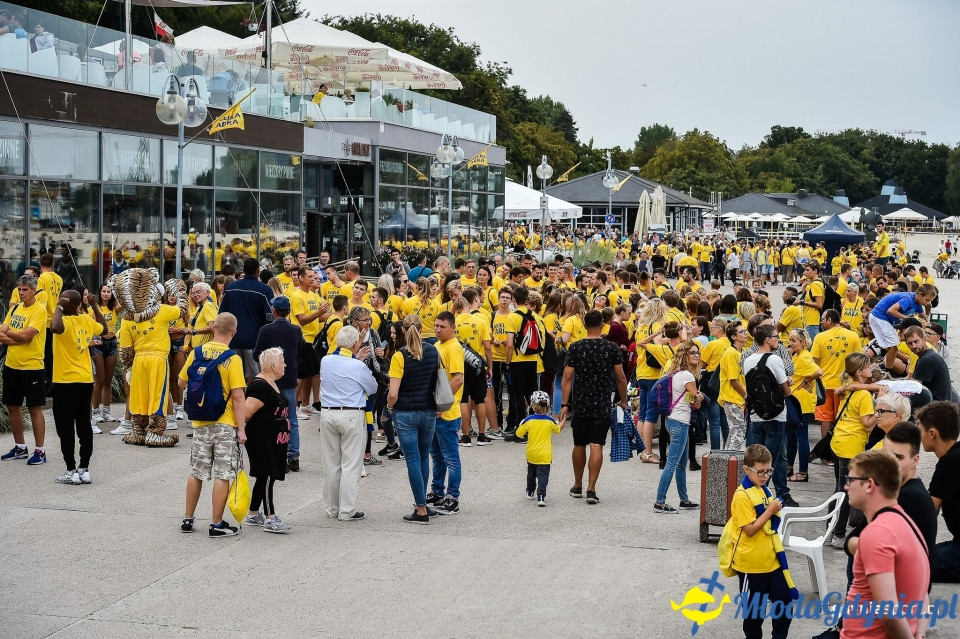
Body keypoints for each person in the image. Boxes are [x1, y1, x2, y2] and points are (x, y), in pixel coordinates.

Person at [841, 449, 930, 638]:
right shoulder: (907, 523)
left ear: (869, 485)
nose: (846, 487)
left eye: (851, 480)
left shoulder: (878, 534)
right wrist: (919, 631)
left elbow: (889, 613)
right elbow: (922, 594)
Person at [178, 314, 246, 537]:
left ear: (213, 328)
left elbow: (181, 382)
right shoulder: (232, 358)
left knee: (196, 472)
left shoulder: (197, 353)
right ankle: (216, 524)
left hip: (200, 422)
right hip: (224, 423)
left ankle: (188, 519)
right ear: (234, 332)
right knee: (223, 474)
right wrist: (242, 429)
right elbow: (238, 397)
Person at [728, 444, 797, 639]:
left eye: (768, 471)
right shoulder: (742, 496)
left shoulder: (763, 490)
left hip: (771, 560)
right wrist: (770, 511)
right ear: (746, 469)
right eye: (760, 472)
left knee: (784, 600)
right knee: (754, 613)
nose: (765, 476)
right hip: (751, 565)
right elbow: (749, 530)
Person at [560, 309, 627, 505]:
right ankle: (591, 488)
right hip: (602, 402)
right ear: (603, 325)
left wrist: (565, 403)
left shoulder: (576, 347)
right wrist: (623, 400)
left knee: (579, 443)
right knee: (597, 444)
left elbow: (567, 377)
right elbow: (620, 377)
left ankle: (577, 484)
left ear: (584, 325)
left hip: (581, 402)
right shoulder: (611, 348)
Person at [319, 325, 378, 522]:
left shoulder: (326, 361)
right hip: (351, 414)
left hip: (328, 413)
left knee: (331, 464)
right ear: (354, 344)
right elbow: (372, 387)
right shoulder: (357, 365)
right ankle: (347, 510)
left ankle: (331, 508)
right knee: (351, 464)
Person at [387, 315, 442, 524]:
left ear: (403, 331)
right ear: (422, 328)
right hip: (428, 410)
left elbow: (393, 393)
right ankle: (423, 503)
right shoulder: (433, 351)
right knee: (423, 457)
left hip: (405, 412)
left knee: (412, 460)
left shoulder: (400, 356)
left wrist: (390, 408)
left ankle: (420, 509)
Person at [50, 290, 107, 484]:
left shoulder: (64, 321)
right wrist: (94, 305)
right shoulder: (85, 319)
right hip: (84, 381)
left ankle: (72, 470)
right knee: (83, 425)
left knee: (67, 427)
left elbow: (54, 327)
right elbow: (103, 327)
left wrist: (59, 306)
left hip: (66, 383)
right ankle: (84, 469)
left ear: (67, 304)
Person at [744, 324, 798, 508]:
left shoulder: (748, 360)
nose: (779, 340)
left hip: (756, 414)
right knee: (771, 460)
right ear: (767, 339)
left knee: (758, 457)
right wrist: (787, 383)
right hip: (776, 416)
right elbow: (787, 391)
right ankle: (762, 497)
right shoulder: (774, 360)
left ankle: (763, 493)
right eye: (776, 336)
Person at [829, 353, 878, 549]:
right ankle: (838, 534)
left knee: (838, 489)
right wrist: (879, 410)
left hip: (838, 442)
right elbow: (867, 425)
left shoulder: (848, 388)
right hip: (852, 446)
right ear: (859, 371)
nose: (872, 368)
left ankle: (831, 528)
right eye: (868, 366)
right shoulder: (864, 394)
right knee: (847, 492)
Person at [241, 347, 292, 533]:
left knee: (264, 475)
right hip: (260, 438)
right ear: (272, 365)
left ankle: (254, 514)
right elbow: (246, 414)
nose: (284, 365)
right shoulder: (259, 385)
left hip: (273, 438)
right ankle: (270, 517)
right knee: (268, 473)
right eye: (282, 362)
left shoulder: (271, 382)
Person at [0, 275, 48, 464]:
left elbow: (26, 336)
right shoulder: (16, 308)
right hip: (12, 365)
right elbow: (4, 333)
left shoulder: (39, 310)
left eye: (25, 290)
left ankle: (40, 451)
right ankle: (20, 447)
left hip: (32, 366)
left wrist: (11, 335)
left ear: (33, 290)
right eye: (19, 290)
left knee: (34, 408)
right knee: (13, 406)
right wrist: (15, 337)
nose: (21, 293)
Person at [253, 296, 303, 472]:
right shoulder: (295, 330)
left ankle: (275, 453)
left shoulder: (266, 330)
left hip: (270, 381)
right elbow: (302, 350)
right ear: (288, 311)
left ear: (273, 311)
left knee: (270, 418)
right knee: (291, 418)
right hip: (289, 379)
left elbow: (256, 354)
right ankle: (293, 455)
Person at [653, 340, 703, 514]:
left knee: (681, 464)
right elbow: (695, 404)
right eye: (692, 353)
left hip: (672, 420)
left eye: (697, 353)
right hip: (680, 422)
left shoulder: (675, 373)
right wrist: (700, 398)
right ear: (684, 356)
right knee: (673, 463)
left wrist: (695, 398)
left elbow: (687, 398)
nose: (696, 355)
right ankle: (659, 502)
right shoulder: (688, 377)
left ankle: (684, 499)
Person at [917, 401, 960, 583]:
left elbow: (927, 515)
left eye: (920, 430)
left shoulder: (949, 464)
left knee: (906, 565)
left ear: (932, 433)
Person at [427, 312, 464, 515]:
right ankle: (437, 492)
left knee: (450, 457)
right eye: (437, 326)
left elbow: (458, 379)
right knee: (437, 456)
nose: (438, 329)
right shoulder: (437, 346)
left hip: (447, 414)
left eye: (442, 326)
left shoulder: (453, 348)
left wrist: (442, 405)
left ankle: (453, 497)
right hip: (436, 412)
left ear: (452, 328)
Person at [218, 257, 273, 382]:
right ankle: (248, 401)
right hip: (254, 342)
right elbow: (270, 317)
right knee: (254, 378)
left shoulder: (231, 288)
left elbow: (221, 314)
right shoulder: (264, 290)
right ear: (258, 271)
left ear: (243, 270)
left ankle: (237, 400)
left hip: (232, 340)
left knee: (233, 377)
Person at [504, 287, 547, 441]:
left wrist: (507, 363)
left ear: (514, 300)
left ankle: (521, 431)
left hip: (517, 359)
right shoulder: (533, 315)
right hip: (533, 359)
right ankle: (538, 426)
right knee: (532, 395)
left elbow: (510, 344)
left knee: (518, 395)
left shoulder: (512, 317)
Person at [868, 284, 936, 372]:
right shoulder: (907, 299)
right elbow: (891, 310)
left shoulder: (917, 301)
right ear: (920, 294)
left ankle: (887, 369)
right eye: (927, 300)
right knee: (893, 347)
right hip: (879, 317)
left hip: (884, 319)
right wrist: (907, 318)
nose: (928, 303)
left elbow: (922, 313)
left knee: (892, 347)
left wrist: (927, 321)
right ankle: (888, 370)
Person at [785, 329, 821, 483]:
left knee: (801, 437)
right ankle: (789, 466)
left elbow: (819, 372)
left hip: (802, 403)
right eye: (790, 340)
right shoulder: (797, 356)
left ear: (803, 342)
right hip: (795, 400)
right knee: (792, 436)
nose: (790, 343)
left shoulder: (805, 357)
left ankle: (803, 472)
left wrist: (806, 381)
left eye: (794, 341)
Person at [517, 391, 563, 506]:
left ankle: (530, 491)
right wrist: (562, 422)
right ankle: (541, 496)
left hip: (532, 453)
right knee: (543, 476)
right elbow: (557, 430)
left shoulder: (529, 420)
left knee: (531, 474)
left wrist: (521, 424)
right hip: (545, 455)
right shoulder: (550, 421)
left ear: (533, 405)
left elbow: (518, 433)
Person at [902, 325, 952, 402]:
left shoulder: (927, 359)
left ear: (924, 339)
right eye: (910, 343)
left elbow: (913, 388)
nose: (914, 346)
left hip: (937, 406)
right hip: (941, 402)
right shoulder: (928, 355)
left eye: (916, 341)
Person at [719, 321, 748, 450]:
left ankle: (727, 464)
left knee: (734, 433)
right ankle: (731, 464)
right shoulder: (730, 353)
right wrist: (746, 395)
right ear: (733, 337)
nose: (745, 334)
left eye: (745, 331)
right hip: (732, 398)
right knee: (738, 434)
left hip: (738, 399)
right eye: (741, 332)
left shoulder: (743, 352)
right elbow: (733, 380)